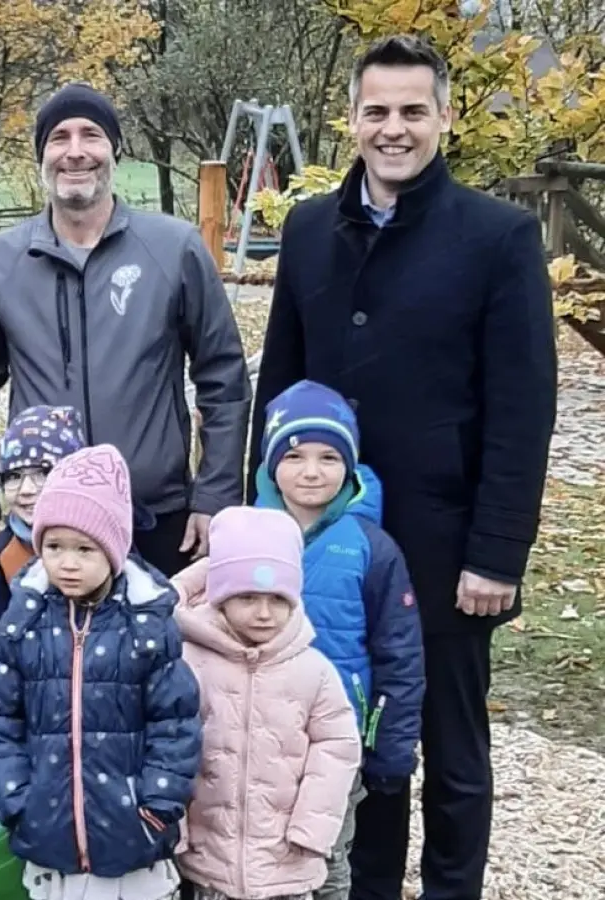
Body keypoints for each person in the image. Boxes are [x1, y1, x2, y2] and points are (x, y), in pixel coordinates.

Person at [247, 35, 557, 900]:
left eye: (413, 111)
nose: (395, 129)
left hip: (446, 543)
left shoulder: (498, 238)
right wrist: (259, 528)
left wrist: (497, 550)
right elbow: (279, 388)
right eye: (377, 111)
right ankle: (368, 886)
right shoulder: (309, 231)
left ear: (445, 117)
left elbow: (523, 408)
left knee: (452, 750)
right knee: (350, 730)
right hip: (328, 538)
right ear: (351, 121)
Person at [0, 83, 250, 576]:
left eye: (91, 135)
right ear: (41, 155)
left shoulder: (174, 249)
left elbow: (223, 376)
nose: (75, 152)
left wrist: (215, 494)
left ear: (114, 149)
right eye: (59, 138)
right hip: (41, 524)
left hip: (156, 518)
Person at [0, 445, 201, 900]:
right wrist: (17, 800)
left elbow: (175, 725)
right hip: (49, 831)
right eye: (54, 547)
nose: (68, 563)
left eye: (85, 548)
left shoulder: (146, 626)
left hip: (130, 833)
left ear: (113, 549)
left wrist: (155, 806)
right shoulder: (24, 622)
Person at [251, 379, 426, 900]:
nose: (311, 471)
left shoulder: (373, 548)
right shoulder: (246, 534)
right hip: (255, 735)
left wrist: (391, 745)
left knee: (325, 860)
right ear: (269, 464)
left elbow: (400, 654)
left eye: (329, 457)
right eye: (295, 455)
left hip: (335, 742)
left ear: (349, 466)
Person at [171, 507, 362, 900]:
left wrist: (311, 829)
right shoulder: (187, 663)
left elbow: (338, 748)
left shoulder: (313, 669)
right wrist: (173, 827)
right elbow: (166, 746)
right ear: (219, 596)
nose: (263, 612)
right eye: (247, 597)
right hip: (210, 862)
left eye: (277, 599)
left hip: (287, 860)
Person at [0, 405, 86, 683]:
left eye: (42, 473)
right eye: (13, 477)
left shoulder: (106, 545)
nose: (26, 490)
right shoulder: (6, 552)